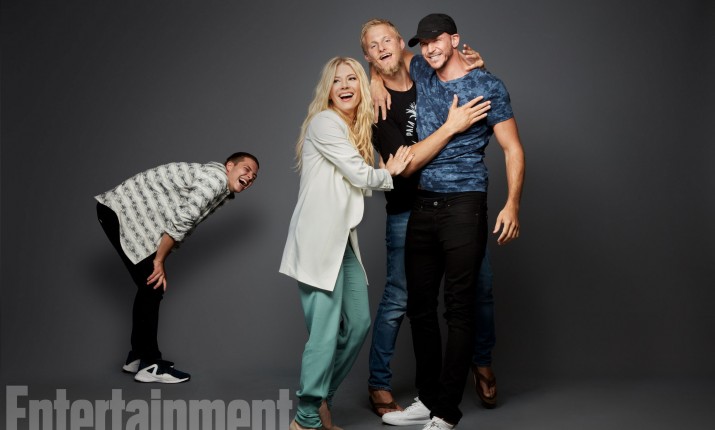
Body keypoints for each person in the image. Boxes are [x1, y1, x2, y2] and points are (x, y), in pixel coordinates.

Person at [377, 13, 526, 430]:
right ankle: (427, 398)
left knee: (459, 308)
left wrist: (512, 204)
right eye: (423, 43)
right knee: (420, 307)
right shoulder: (423, 70)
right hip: (423, 202)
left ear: (455, 39)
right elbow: (385, 60)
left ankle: (446, 412)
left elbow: (513, 148)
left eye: (436, 41)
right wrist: (373, 81)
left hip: (465, 203)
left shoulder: (487, 86)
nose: (429, 49)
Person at [359, 18, 492, 417]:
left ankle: (481, 361)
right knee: (401, 298)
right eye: (372, 47)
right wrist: (450, 128)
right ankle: (379, 382)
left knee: (479, 288)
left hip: (455, 203)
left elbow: (458, 71)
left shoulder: (425, 69)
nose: (382, 49)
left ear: (403, 44)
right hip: (407, 208)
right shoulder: (375, 105)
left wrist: (478, 66)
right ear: (367, 56)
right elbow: (407, 165)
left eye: (387, 40)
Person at [278, 56, 414, 430]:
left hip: (342, 242)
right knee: (323, 335)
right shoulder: (325, 123)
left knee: (357, 324)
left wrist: (378, 79)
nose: (344, 86)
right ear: (328, 90)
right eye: (337, 81)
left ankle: (321, 398)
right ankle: (306, 418)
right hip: (318, 240)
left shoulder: (352, 129)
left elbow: (352, 182)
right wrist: (389, 173)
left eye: (352, 78)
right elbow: (358, 174)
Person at [95, 152, 259, 383]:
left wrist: (160, 256)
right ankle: (150, 364)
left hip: (123, 214)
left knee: (148, 287)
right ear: (229, 166)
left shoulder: (220, 186)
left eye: (254, 176)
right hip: (121, 211)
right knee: (152, 287)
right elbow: (184, 219)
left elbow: (184, 221)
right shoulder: (215, 179)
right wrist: (158, 261)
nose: (250, 177)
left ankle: (138, 356)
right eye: (246, 169)